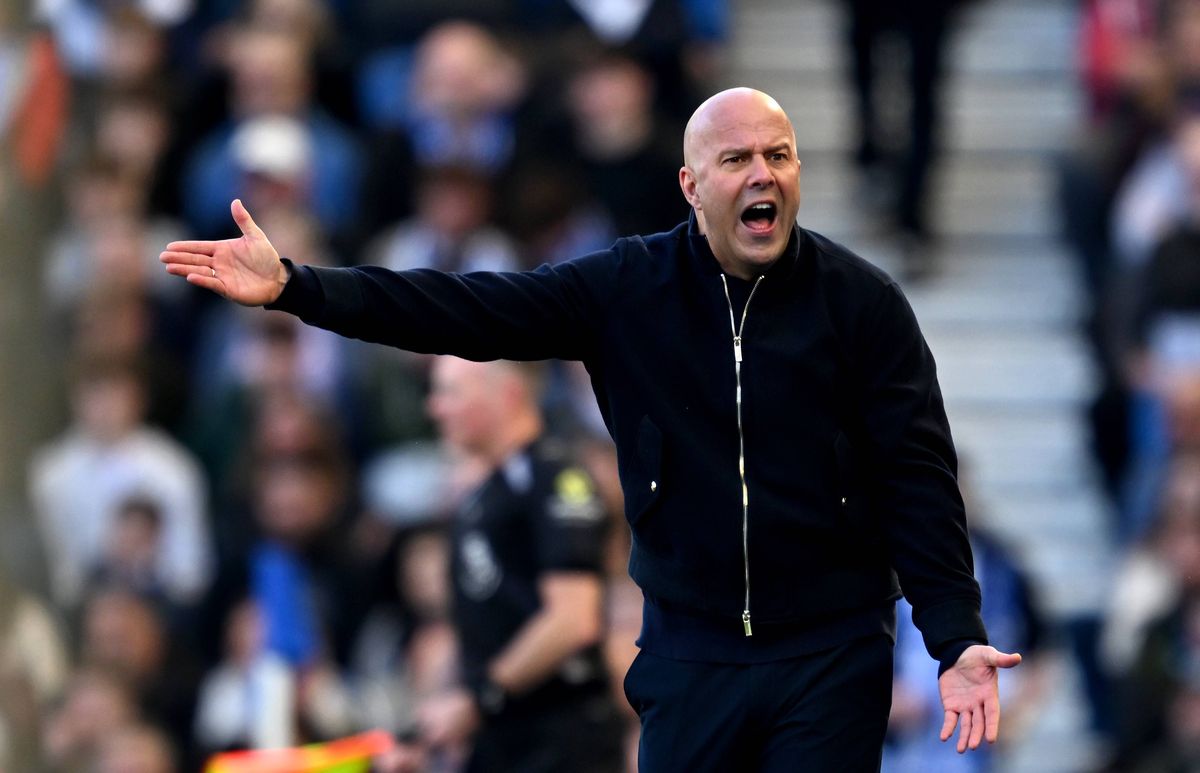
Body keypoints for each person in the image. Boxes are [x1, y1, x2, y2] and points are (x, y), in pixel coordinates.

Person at [161, 87, 1021, 772]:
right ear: (692, 186)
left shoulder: (862, 303)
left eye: (779, 155)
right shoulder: (626, 290)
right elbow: (464, 310)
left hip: (832, 649)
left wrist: (955, 636)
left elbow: (917, 471)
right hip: (690, 650)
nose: (763, 173)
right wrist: (299, 288)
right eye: (737, 159)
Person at [385, 355, 624, 771]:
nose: (434, 407)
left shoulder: (555, 479)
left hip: (561, 743)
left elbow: (573, 619)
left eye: (450, 391)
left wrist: (479, 699)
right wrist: (426, 735)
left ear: (507, 395)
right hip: (501, 739)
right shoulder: (480, 495)